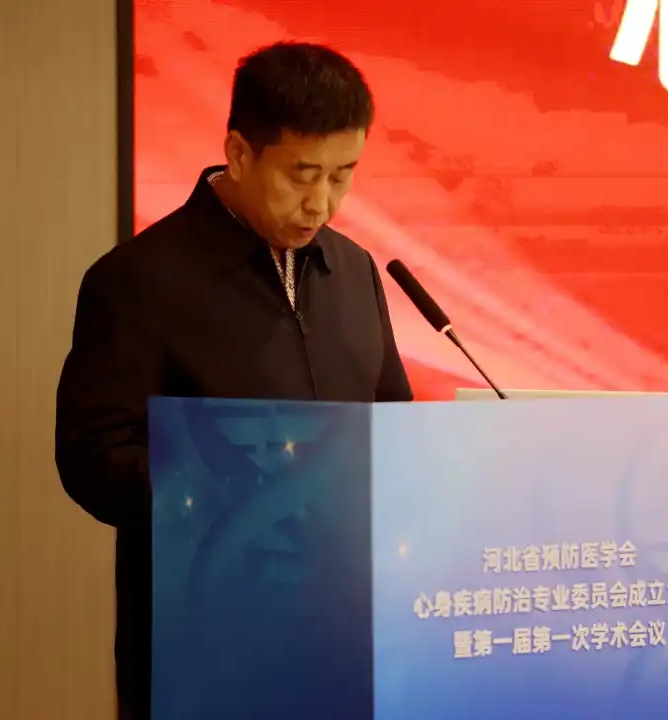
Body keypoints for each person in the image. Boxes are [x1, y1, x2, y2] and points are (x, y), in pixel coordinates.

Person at [55, 41, 412, 719]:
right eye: (301, 175)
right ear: (240, 153)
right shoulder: (138, 280)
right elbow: (92, 457)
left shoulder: (355, 271)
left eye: (342, 176)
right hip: (204, 645)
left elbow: (392, 428)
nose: (321, 203)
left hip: (345, 636)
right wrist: (243, 496)